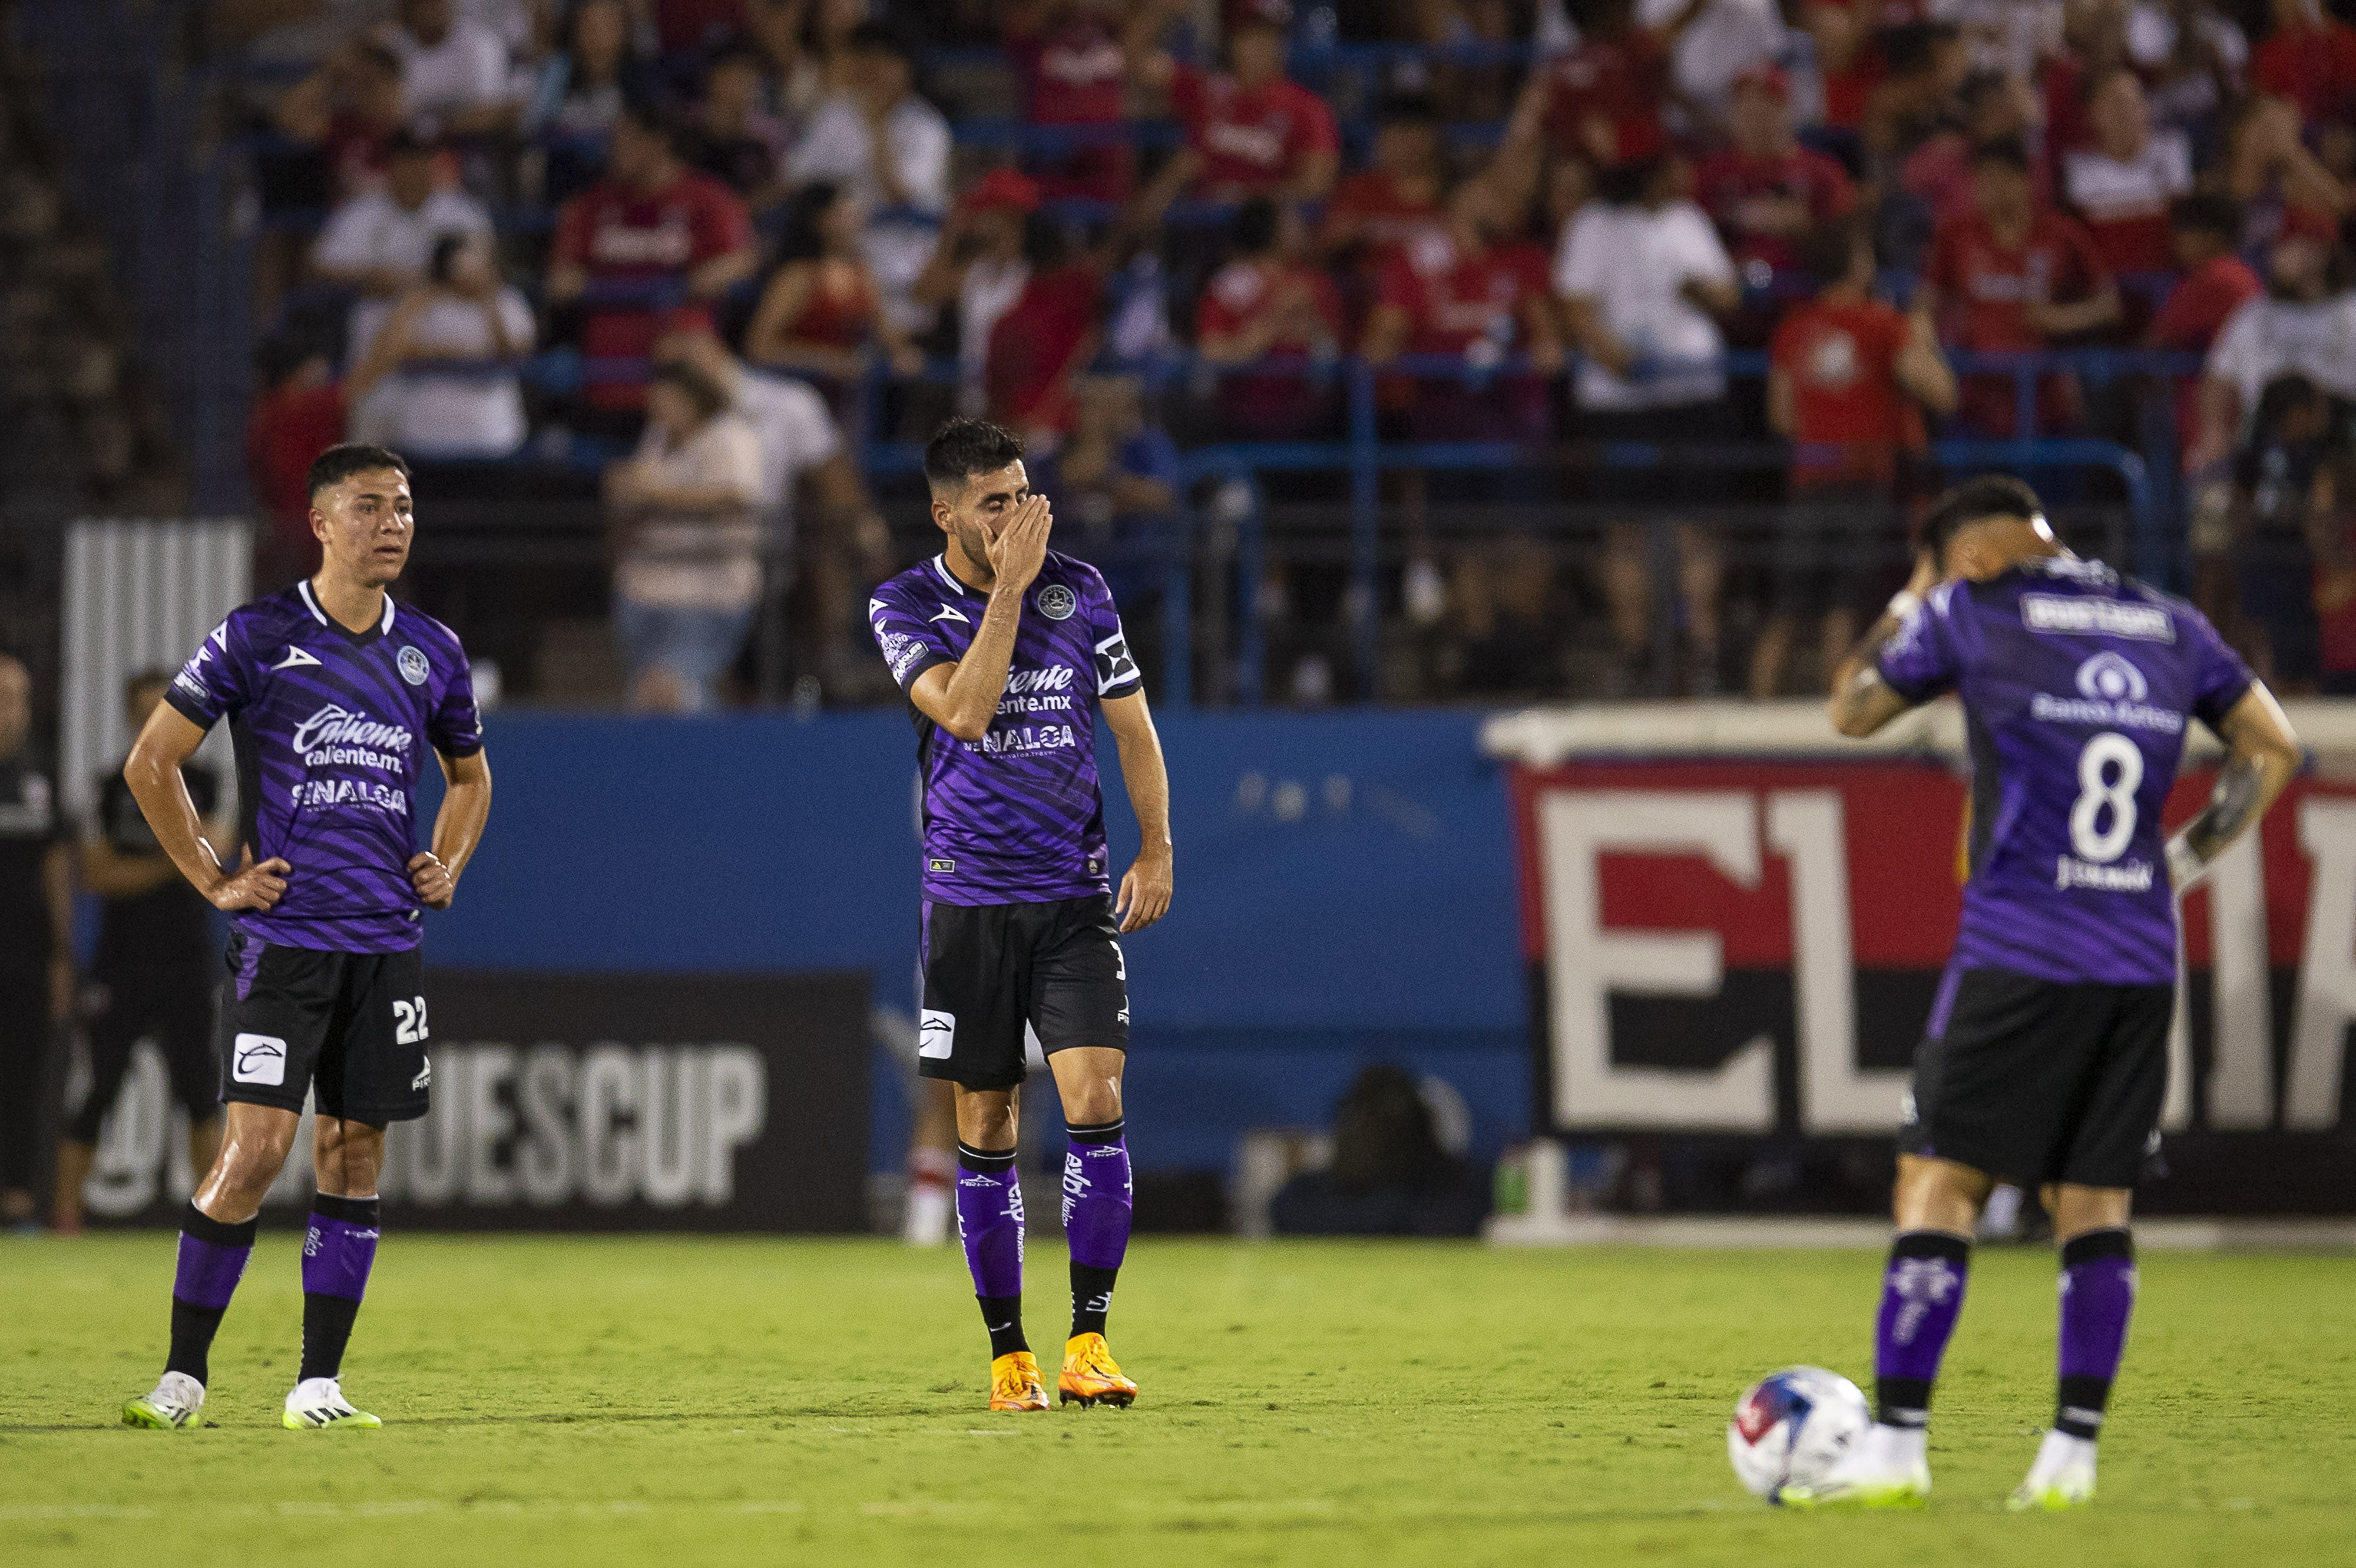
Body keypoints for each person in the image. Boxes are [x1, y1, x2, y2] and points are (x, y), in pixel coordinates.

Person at [1804, 474, 2301, 1509]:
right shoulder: (2167, 621)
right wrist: (2181, 861)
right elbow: (2274, 746)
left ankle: (1896, 1446)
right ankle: (2070, 1455)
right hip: (2136, 953)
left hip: (2020, 948)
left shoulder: (1970, 605)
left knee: (1938, 1184)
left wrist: (1912, 592)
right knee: (2096, 1203)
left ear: (1971, 555)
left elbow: (1852, 710)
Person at [118, 443, 492, 1433]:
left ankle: (318, 1383)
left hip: (384, 943)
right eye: (371, 507)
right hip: (286, 942)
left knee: (353, 1152)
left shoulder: (433, 652)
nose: (395, 524)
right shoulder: (259, 633)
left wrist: (445, 863)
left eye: (405, 507)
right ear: (323, 523)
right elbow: (153, 762)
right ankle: (182, 1377)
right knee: (254, 1151)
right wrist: (210, 874)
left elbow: (470, 778)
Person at [866, 417, 1174, 1413]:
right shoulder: (902, 602)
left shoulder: (1079, 589)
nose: (1020, 515)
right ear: (944, 511)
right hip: (968, 906)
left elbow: (1131, 728)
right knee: (986, 1117)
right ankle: (1010, 1357)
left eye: (1025, 493)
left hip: (1074, 898)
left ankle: (1090, 1339)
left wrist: (1157, 845)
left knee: (1093, 1097)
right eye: (995, 501)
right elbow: (962, 708)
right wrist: (1005, 589)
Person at [1554, 153, 1743, 696]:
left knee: (1699, 527)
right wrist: (1618, 358)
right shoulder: (1593, 225)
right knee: (1626, 530)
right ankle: (1635, 652)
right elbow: (1576, 307)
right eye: (1673, 164)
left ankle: (1701, 651)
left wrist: (1699, 291)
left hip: (1693, 394)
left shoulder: (1689, 221)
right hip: (1620, 401)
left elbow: (1726, 294)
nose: (1686, 173)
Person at [51, 672, 230, 1235]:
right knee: (98, 1087)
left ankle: (214, 1222)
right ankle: (65, 1220)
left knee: (200, 1091)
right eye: (144, 711)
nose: (154, 720)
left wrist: (154, 865)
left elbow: (219, 857)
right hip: (119, 963)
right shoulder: (109, 786)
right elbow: (97, 874)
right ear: (131, 718)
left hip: (186, 960)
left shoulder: (206, 782)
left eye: (165, 710)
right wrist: (178, 860)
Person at [1758, 223, 1957, 697]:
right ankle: (1837, 729)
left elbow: (1781, 416)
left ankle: (1753, 718)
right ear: (1858, 262)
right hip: (1863, 480)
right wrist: (1922, 333)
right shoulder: (1883, 324)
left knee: (1786, 611)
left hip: (1808, 480)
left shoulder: (1793, 329)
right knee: (1842, 610)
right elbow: (1942, 394)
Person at [547, 97, 757, 419]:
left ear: (657, 142)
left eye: (624, 139)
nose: (613, 150)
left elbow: (742, 259)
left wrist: (695, 283)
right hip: (608, 378)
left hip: (682, 387)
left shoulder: (707, 199)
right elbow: (561, 281)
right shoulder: (591, 204)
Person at [1922, 137, 2119, 437]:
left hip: (2049, 395)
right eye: (1982, 179)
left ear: (2026, 180)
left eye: (2000, 177)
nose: (1990, 188)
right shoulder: (1956, 237)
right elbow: (1924, 304)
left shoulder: (2063, 234)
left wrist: (2061, 320)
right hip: (1977, 396)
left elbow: (2109, 305)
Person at [605, 359, 767, 712]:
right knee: (645, 696)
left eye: (670, 397)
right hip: (645, 588)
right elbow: (629, 495)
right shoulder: (657, 438)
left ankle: (717, 762)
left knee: (674, 693)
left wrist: (654, 494)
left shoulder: (731, 436)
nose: (659, 405)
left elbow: (735, 496)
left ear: (696, 398)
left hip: (708, 593)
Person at [784, 22, 952, 343]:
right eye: (868, 59)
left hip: (903, 275)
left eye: (886, 61)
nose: (875, 70)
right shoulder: (837, 114)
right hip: (840, 268)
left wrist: (878, 130)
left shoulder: (927, 126)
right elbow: (796, 179)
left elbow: (900, 196)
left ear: (906, 69)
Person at [343, 230, 536, 457]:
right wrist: (450, 352)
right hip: (423, 435)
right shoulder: (421, 303)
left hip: (490, 435)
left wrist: (489, 301)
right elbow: (389, 354)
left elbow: (517, 357)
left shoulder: (507, 301)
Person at [309, 129, 494, 365]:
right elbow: (320, 266)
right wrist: (370, 276)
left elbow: (483, 270)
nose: (414, 169)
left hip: (446, 327)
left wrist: (419, 279)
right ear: (392, 165)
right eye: (406, 160)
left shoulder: (462, 213)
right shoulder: (361, 211)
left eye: (421, 159)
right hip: (377, 323)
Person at [1134, 0, 1341, 204]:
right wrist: (1159, 9)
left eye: (1269, 37)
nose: (1260, 47)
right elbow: (1138, 65)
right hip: (1199, 223)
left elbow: (1316, 185)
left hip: (1256, 228)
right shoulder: (1207, 89)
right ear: (1232, 42)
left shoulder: (1307, 107)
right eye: (1250, 37)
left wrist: (1250, 199)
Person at [0, 653, 72, 1230]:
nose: (8, 710)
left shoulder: (41, 778)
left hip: (24, 955)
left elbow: (56, 873)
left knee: (23, 1076)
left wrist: (60, 959)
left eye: (16, 698)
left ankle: (19, 1195)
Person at [743, 181, 923, 387]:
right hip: (792, 389)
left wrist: (902, 352)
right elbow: (758, 347)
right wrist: (824, 361)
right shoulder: (796, 276)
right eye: (843, 214)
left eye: (854, 214)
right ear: (820, 220)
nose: (854, 221)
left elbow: (883, 328)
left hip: (847, 397)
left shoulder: (862, 274)